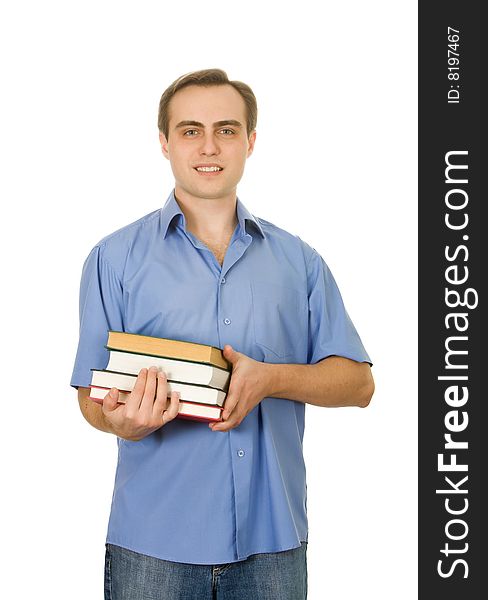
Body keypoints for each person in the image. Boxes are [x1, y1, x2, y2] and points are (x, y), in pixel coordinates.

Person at [71, 68, 374, 600]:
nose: (208, 146)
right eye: (190, 130)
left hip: (272, 544)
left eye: (226, 130)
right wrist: (125, 423)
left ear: (250, 141)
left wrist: (271, 379)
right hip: (152, 547)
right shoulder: (112, 259)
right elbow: (90, 399)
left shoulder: (300, 262)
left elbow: (358, 384)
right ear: (164, 143)